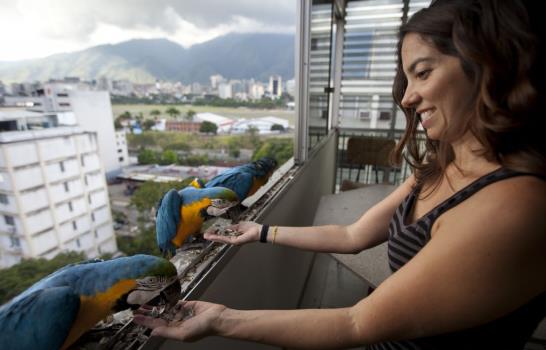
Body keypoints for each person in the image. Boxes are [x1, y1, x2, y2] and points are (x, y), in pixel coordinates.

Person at [134, 0, 546, 348]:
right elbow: (352, 236)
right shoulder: (442, 168)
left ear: (488, 65)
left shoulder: (516, 204)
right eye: (407, 78)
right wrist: (260, 232)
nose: (406, 97)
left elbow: (356, 323)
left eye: (423, 72)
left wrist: (223, 320)